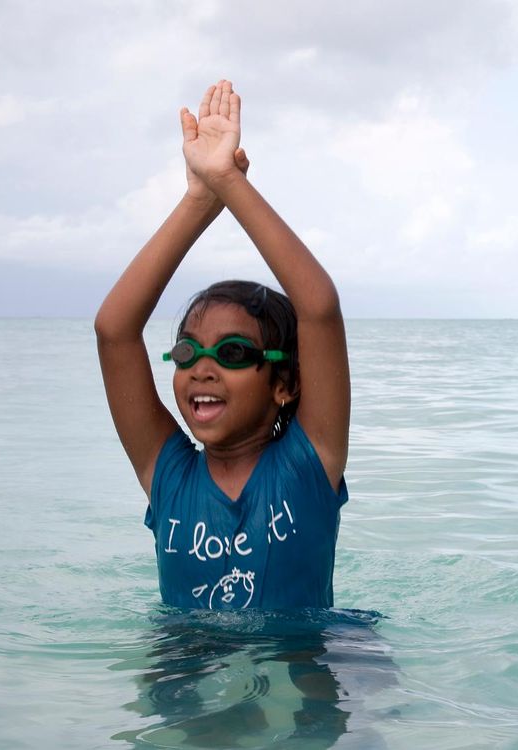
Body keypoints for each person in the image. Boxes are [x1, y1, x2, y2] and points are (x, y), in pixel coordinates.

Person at [95, 80, 350, 610]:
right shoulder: (167, 475)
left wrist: (228, 182)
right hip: (186, 666)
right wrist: (197, 201)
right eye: (188, 352)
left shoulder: (310, 462)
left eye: (232, 353)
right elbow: (115, 331)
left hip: (300, 669)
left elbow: (319, 308)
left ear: (284, 384)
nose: (202, 368)